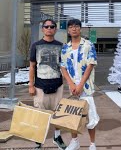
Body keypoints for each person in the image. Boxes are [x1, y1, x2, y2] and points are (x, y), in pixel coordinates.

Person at [60, 19, 100, 150]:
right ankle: (74, 141)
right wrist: (71, 84)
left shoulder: (88, 45)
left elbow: (91, 64)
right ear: (68, 30)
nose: (73, 28)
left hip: (86, 88)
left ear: (80, 29)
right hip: (73, 89)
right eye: (71, 27)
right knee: (73, 116)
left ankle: (92, 144)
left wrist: (81, 84)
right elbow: (63, 67)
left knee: (90, 117)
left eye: (76, 26)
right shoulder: (65, 48)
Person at [29, 19, 66, 149]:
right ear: (42, 29)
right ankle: (39, 140)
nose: (49, 28)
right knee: (40, 115)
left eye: (52, 26)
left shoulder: (61, 46)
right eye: (47, 26)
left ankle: (57, 137)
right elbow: (32, 66)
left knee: (58, 114)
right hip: (40, 86)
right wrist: (31, 85)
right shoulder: (36, 45)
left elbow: (64, 66)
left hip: (58, 85)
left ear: (55, 29)